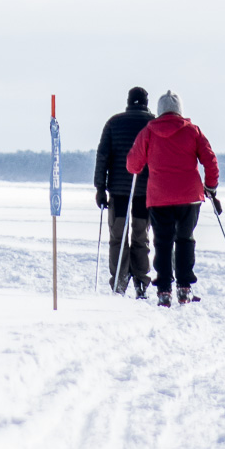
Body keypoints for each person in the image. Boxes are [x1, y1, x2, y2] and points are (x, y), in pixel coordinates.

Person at [126, 90, 220, 307]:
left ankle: (164, 289)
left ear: (159, 110)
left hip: (159, 197)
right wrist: (211, 186)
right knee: (185, 239)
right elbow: (210, 160)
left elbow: (133, 165)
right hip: (189, 197)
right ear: (180, 110)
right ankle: (184, 287)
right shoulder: (193, 131)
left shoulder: (148, 132)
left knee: (163, 242)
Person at [93, 86, 155, 298]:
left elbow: (103, 156)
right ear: (146, 103)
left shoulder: (113, 123)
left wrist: (100, 188)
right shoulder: (153, 123)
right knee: (141, 237)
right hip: (145, 191)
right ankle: (141, 282)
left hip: (118, 192)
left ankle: (119, 282)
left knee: (117, 238)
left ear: (128, 102)